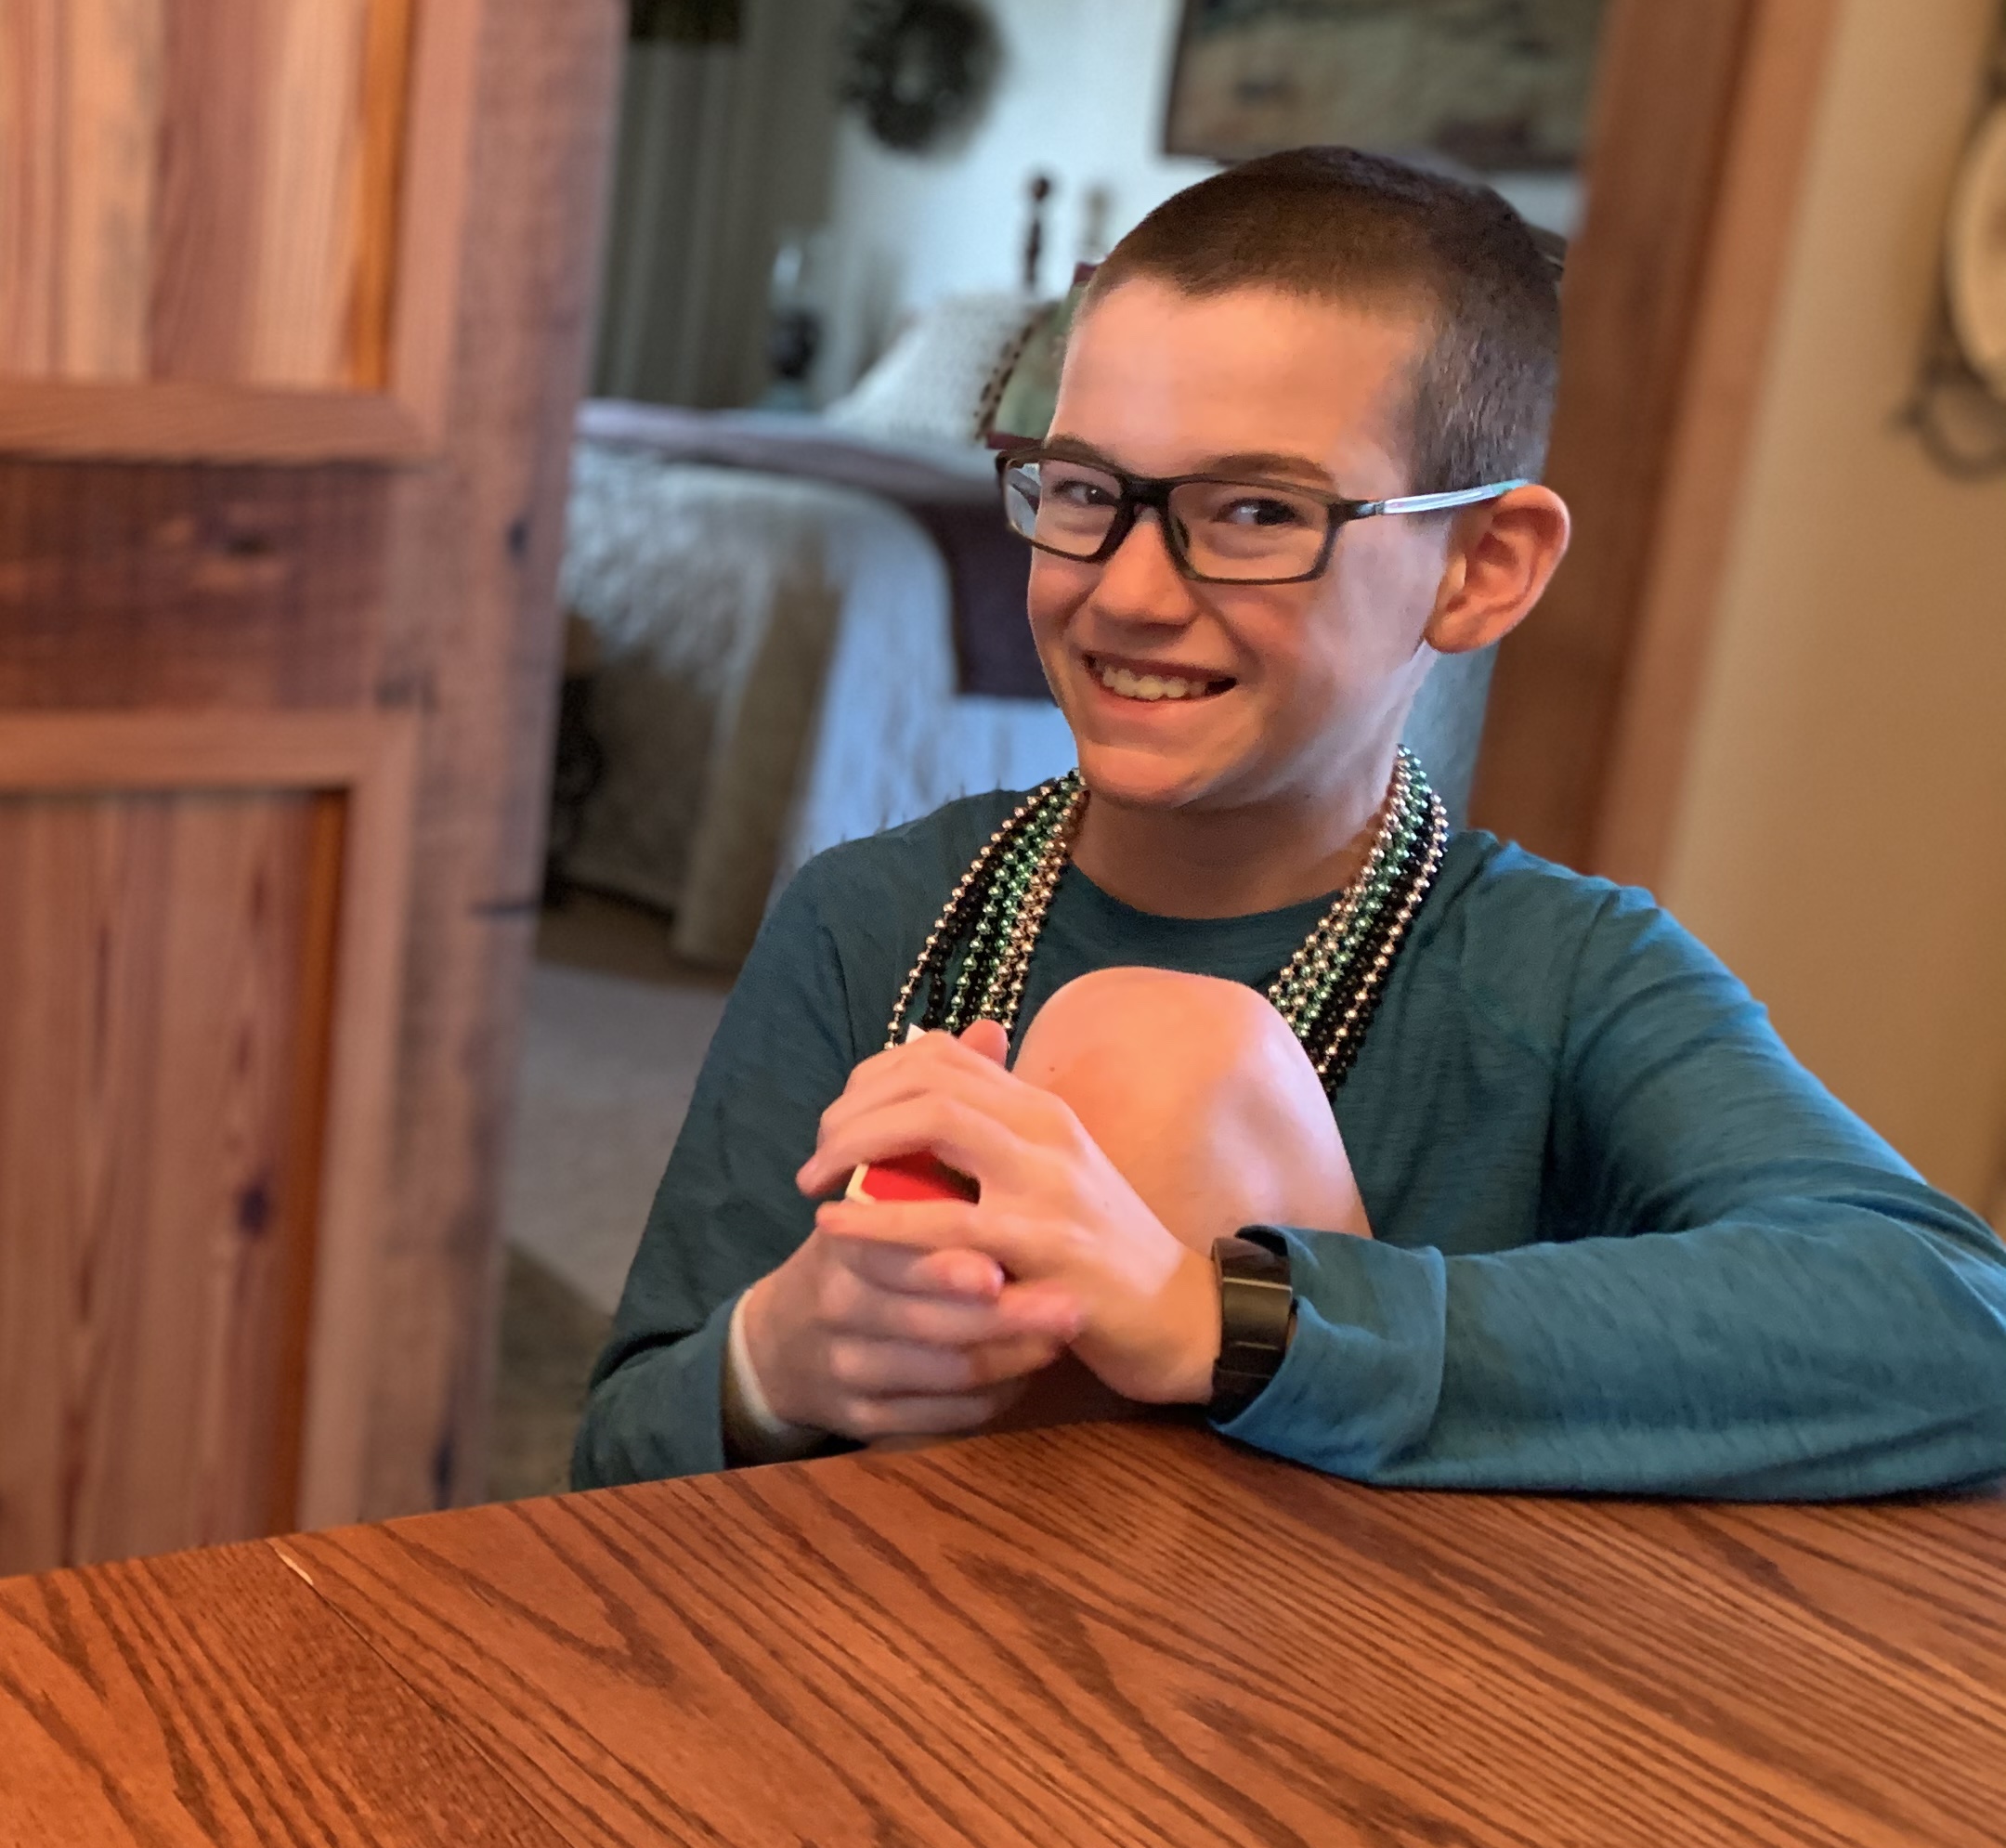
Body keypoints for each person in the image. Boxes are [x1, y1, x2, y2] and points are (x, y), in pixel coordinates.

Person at [577, 148, 2006, 1496]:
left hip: (1338, 1663)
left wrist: (1226, 1318)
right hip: (879, 1655)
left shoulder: (1561, 974)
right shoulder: (870, 917)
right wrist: (773, 1360)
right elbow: (618, 1458)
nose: (1128, 591)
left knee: (1165, 1053)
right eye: (1083, 491)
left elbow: (1960, 1325)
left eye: (1257, 513)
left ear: (1482, 569)